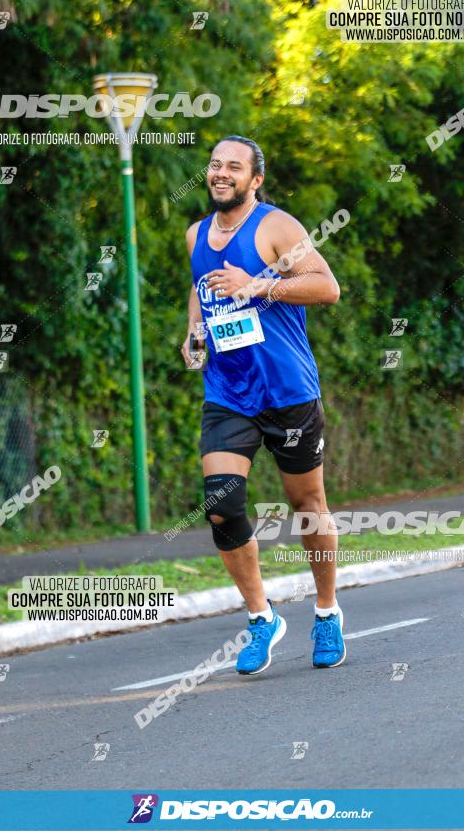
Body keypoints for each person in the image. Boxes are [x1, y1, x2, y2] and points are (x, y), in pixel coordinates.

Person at [181, 135, 345, 674]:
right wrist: (194, 332)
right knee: (222, 503)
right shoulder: (196, 235)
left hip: (287, 390)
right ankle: (262, 618)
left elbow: (326, 287)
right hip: (229, 392)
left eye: (234, 167)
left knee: (307, 506)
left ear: (255, 180)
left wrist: (258, 285)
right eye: (215, 165)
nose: (221, 173)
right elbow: (201, 289)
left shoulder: (277, 228)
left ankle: (326, 612)